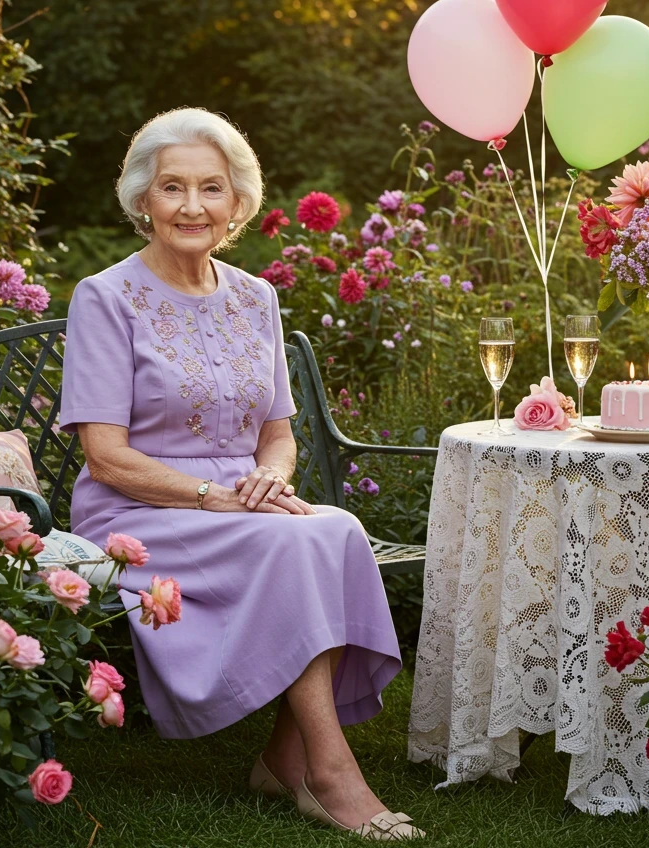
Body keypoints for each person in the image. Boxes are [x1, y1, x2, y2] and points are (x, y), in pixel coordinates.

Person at [58, 107, 425, 840]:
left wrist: (270, 479)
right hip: (140, 510)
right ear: (142, 200)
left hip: (240, 505)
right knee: (294, 544)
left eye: (211, 188)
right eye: (172, 188)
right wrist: (212, 495)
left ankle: (284, 755)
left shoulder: (256, 298)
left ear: (237, 203)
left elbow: (278, 436)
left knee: (339, 529)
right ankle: (328, 773)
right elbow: (104, 454)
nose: (192, 206)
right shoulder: (105, 298)